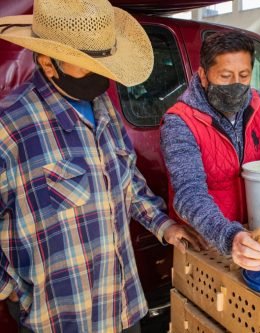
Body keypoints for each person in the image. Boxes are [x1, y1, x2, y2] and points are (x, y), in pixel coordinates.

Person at [0, 1, 206, 332]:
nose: (99, 76)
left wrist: (164, 225)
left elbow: (127, 180)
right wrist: (13, 291)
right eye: (85, 65)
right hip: (59, 317)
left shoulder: (103, 105)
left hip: (121, 305)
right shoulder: (10, 126)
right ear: (46, 63)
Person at [160, 31, 260, 272]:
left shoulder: (256, 102)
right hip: (208, 242)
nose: (236, 84)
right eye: (225, 76)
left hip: (253, 234)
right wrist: (228, 235)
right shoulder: (180, 122)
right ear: (203, 75)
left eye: (243, 76)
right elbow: (188, 194)